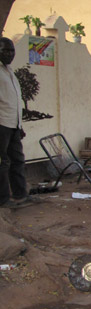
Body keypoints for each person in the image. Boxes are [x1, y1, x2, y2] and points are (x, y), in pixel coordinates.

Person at [0, 37, 30, 209]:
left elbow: (14, 101)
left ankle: (20, 194)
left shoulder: (8, 71)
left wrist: (20, 125)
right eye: (5, 50)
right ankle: (3, 200)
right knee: (3, 162)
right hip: (2, 124)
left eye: (12, 51)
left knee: (17, 160)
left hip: (13, 125)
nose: (9, 54)